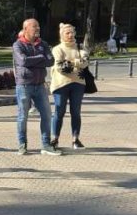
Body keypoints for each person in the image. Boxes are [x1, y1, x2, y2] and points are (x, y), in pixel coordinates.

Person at [13, 18, 61, 156]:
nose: (37, 29)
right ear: (26, 29)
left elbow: (50, 61)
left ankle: (46, 144)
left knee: (46, 114)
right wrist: (41, 58)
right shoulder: (18, 45)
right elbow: (22, 61)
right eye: (34, 27)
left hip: (40, 85)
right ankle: (22, 145)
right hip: (24, 85)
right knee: (23, 116)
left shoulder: (43, 44)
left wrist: (34, 60)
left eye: (38, 27)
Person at [50, 23, 88, 150]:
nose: (70, 35)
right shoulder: (57, 49)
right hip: (61, 84)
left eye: (72, 32)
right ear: (62, 34)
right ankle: (54, 138)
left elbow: (85, 63)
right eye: (67, 33)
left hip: (78, 84)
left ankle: (75, 139)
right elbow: (61, 68)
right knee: (59, 111)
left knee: (76, 112)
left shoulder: (80, 48)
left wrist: (70, 62)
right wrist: (77, 63)